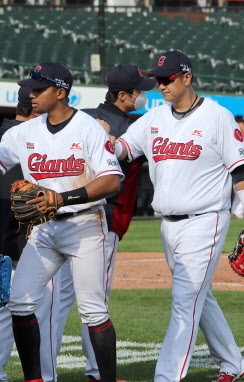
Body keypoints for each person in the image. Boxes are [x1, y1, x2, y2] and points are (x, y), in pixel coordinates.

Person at [0, 62, 124, 382]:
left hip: (84, 224)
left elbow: (111, 181)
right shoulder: (24, 131)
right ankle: (35, 379)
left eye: (38, 88)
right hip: (43, 228)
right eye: (30, 87)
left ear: (60, 92)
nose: (30, 93)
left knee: (93, 310)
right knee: (20, 302)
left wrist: (62, 198)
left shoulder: (87, 127)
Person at [114, 50, 244, 382]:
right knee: (199, 296)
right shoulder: (154, 119)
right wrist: (103, 139)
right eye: (158, 80)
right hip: (168, 225)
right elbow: (124, 148)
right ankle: (234, 363)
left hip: (205, 220)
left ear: (187, 78)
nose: (161, 85)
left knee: (184, 300)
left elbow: (240, 170)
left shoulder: (217, 117)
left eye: (168, 79)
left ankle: (167, 377)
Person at [52, 64, 156, 382]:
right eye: (139, 91)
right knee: (96, 301)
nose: (144, 95)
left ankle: (44, 371)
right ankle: (97, 371)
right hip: (103, 220)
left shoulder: (83, 117)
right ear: (123, 95)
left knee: (59, 299)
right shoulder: (131, 129)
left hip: (66, 215)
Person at [0, 86, 61, 382]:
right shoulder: (36, 137)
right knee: (44, 307)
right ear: (36, 108)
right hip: (35, 236)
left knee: (6, 307)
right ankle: (45, 376)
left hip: (1, 233)